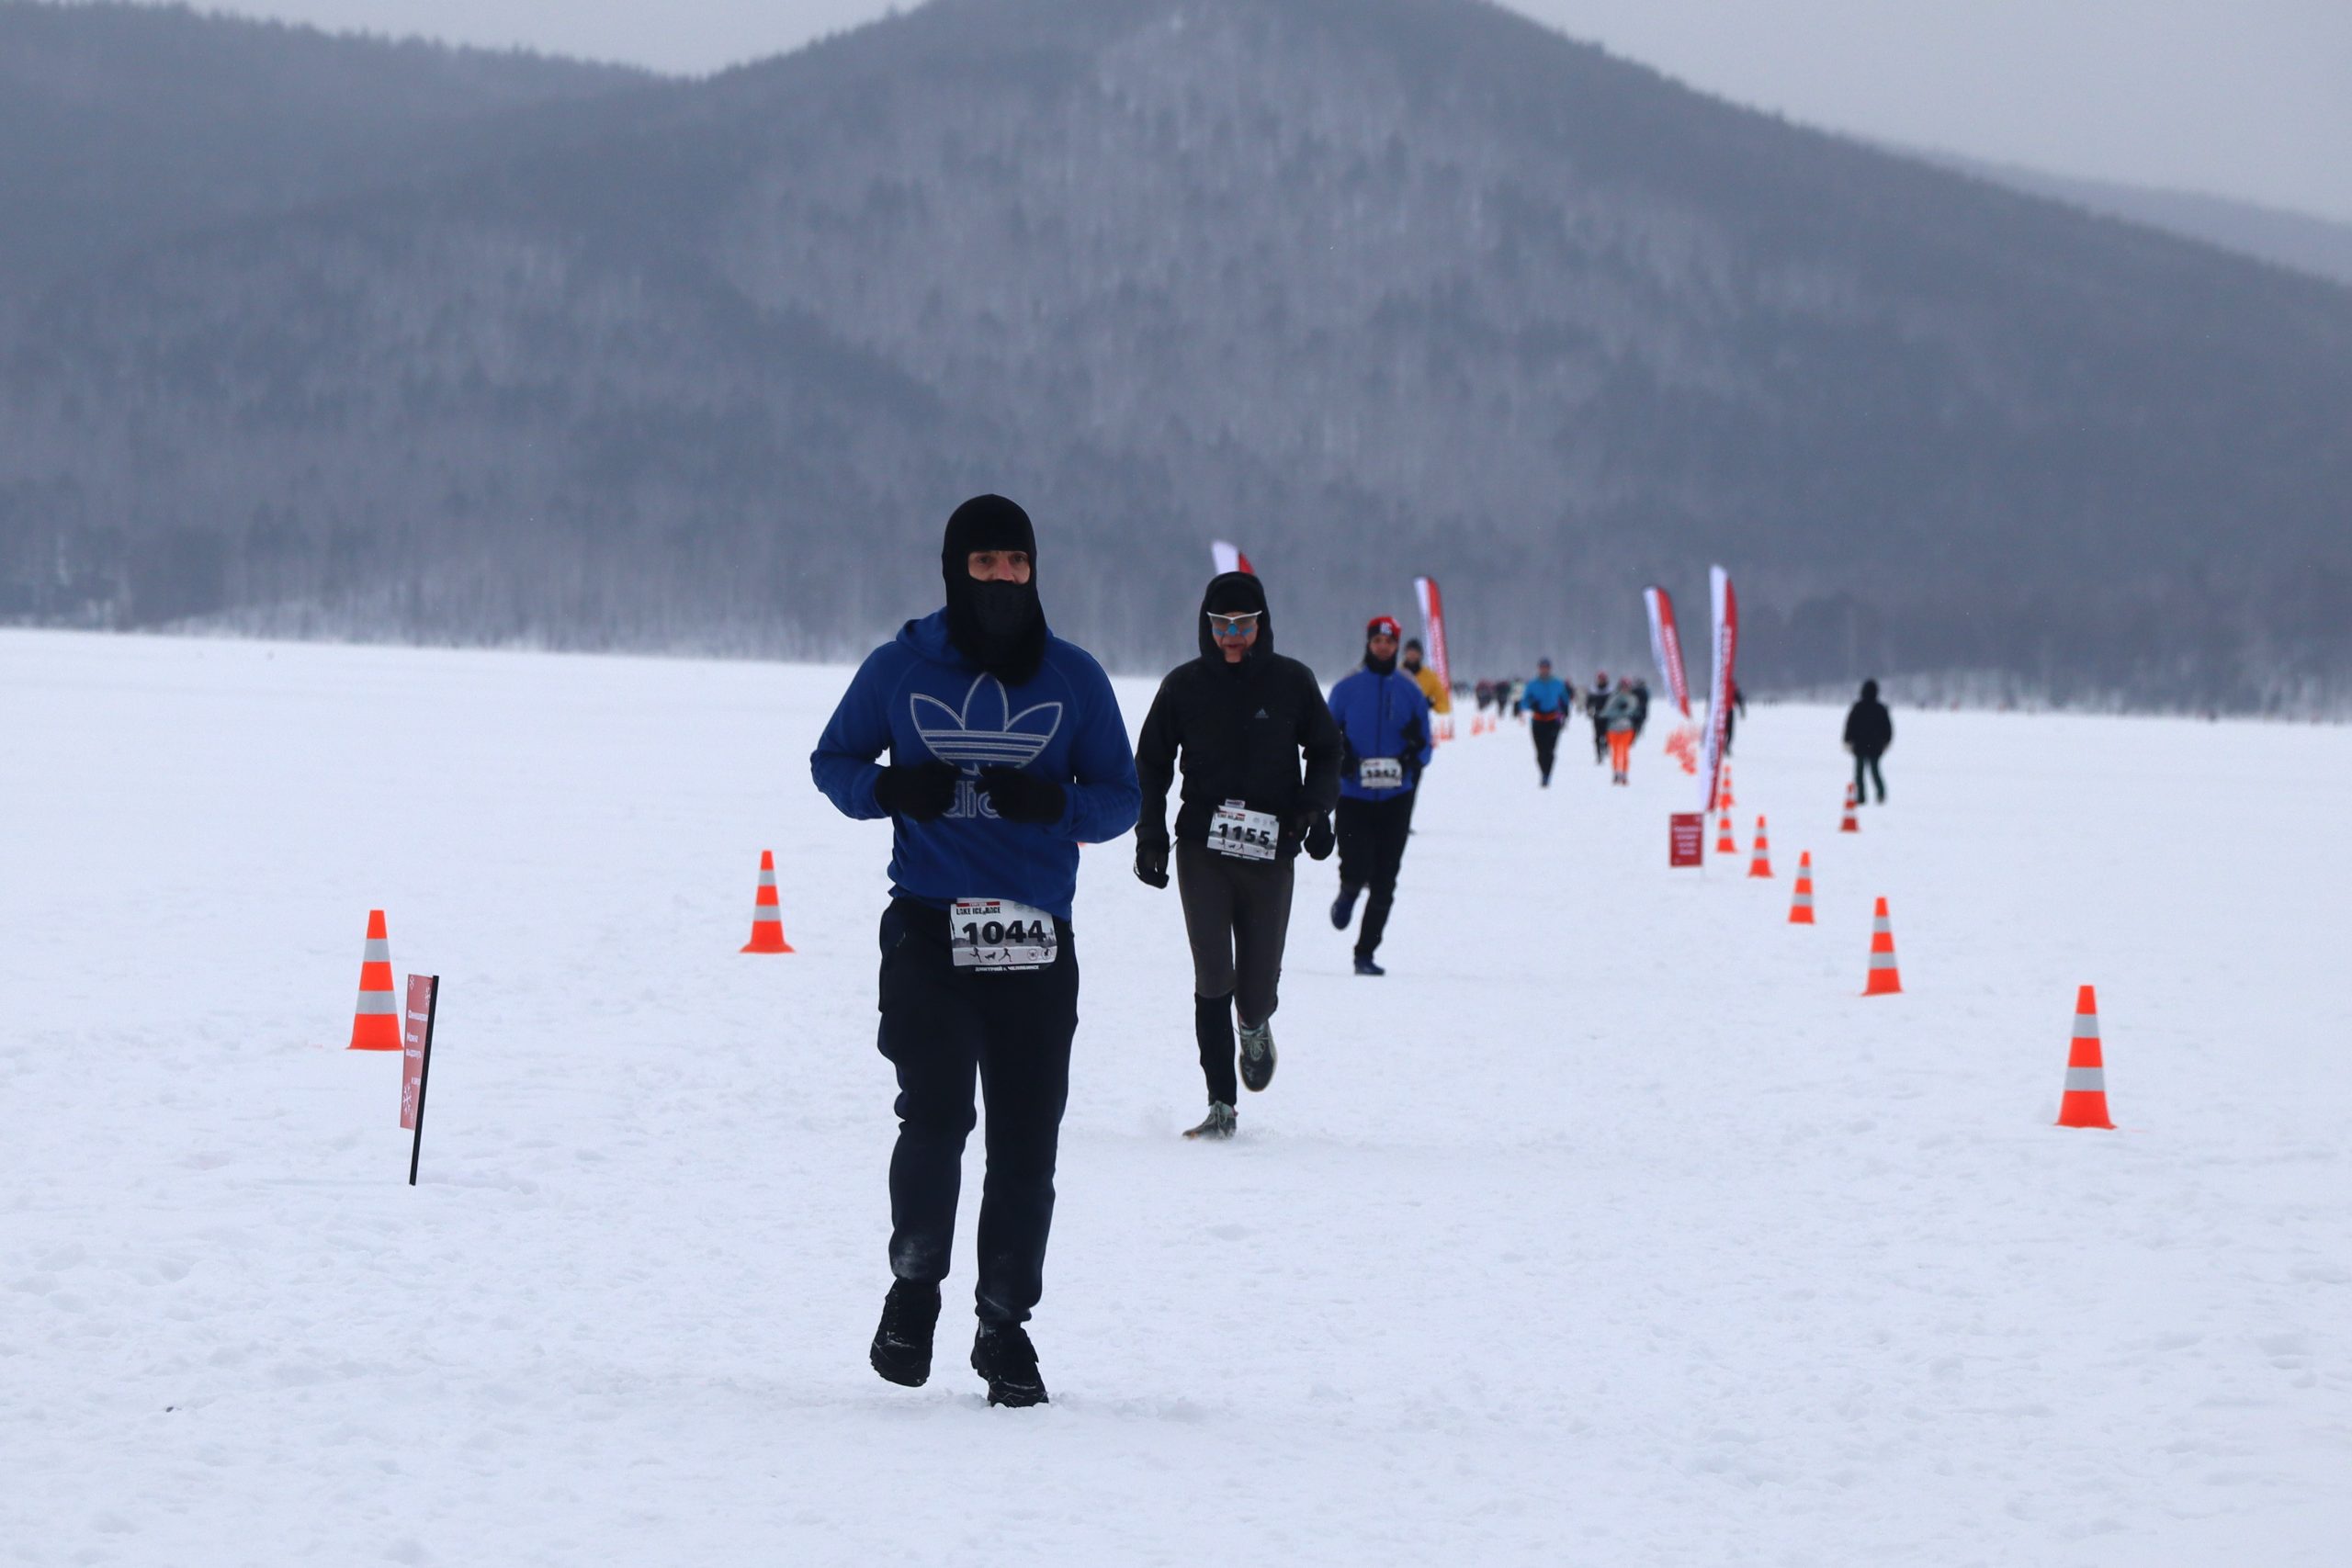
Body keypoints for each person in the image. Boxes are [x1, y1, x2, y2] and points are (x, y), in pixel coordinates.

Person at [810, 494, 1140, 1409]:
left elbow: (1123, 796)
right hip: (928, 928)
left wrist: (1060, 807)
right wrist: (888, 790)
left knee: (1026, 1144)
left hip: (1036, 940)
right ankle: (912, 1292)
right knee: (936, 1116)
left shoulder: (1074, 678)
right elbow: (832, 763)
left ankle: (1003, 1324)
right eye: (985, 563)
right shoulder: (899, 668)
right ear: (955, 571)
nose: (1002, 577)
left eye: (1016, 563)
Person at [1134, 572, 1343, 1140]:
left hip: (1271, 851)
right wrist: (1150, 833)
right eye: (1221, 626)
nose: (1232, 637)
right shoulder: (1183, 686)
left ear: (1261, 625)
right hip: (1202, 849)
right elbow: (1151, 763)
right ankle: (1221, 1104)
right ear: (1206, 627)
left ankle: (1254, 1023)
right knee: (1212, 975)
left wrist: (1315, 809)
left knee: (1254, 988)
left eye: (1243, 625)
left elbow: (1327, 751)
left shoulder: (1292, 682)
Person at [1327, 615, 1432, 976]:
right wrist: (1341, 758)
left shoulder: (1410, 690)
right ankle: (1348, 892)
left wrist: (1412, 757)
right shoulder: (1347, 687)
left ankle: (1365, 953)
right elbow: (1325, 736)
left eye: (1389, 642)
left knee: (1386, 879)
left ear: (1397, 646)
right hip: (1353, 795)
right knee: (1355, 865)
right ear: (1368, 643)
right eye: (1377, 641)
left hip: (1395, 797)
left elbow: (1426, 744)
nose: (1383, 647)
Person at [1519, 658, 1575, 785]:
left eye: (1546, 668)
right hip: (1538, 720)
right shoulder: (1532, 685)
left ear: (1550, 669)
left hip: (1552, 720)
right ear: (1539, 669)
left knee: (1550, 750)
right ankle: (1543, 772)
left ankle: (1547, 775)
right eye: (1542, 668)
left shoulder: (1557, 684)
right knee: (1540, 751)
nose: (1544, 670)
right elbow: (1524, 702)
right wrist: (1531, 704)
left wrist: (1565, 713)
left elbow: (1565, 700)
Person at [1843, 678, 1893, 805]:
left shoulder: (1858, 707)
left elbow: (1850, 725)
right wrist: (1886, 741)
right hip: (1875, 745)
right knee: (1875, 771)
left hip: (1860, 745)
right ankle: (1881, 794)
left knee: (1859, 773)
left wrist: (1847, 739)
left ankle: (1861, 797)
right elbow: (1887, 728)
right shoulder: (1880, 708)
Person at [1402, 637, 1451, 728]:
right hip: (1399, 721)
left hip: (1421, 723)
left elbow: (1444, 705)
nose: (1412, 655)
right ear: (1405, 653)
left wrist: (1431, 705)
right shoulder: (1397, 673)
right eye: (1410, 652)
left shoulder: (1430, 676)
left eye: (1415, 652)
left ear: (1421, 655)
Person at [1601, 681, 1640, 784]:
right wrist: (1619, 711)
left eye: (1627, 687)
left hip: (1627, 729)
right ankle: (1616, 773)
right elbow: (1606, 712)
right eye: (1623, 686)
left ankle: (1624, 774)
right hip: (1613, 729)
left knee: (1624, 751)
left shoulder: (1632, 699)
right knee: (1615, 752)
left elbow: (1634, 712)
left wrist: (1626, 712)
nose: (1625, 689)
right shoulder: (1613, 698)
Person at [1586, 672, 1613, 763]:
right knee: (1597, 736)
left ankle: (1605, 748)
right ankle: (1598, 756)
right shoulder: (1594, 690)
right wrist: (1589, 710)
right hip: (1597, 715)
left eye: (1603, 679)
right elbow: (1589, 702)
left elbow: (1614, 702)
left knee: (1607, 735)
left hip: (1608, 716)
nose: (1601, 681)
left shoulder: (1610, 691)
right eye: (1600, 679)